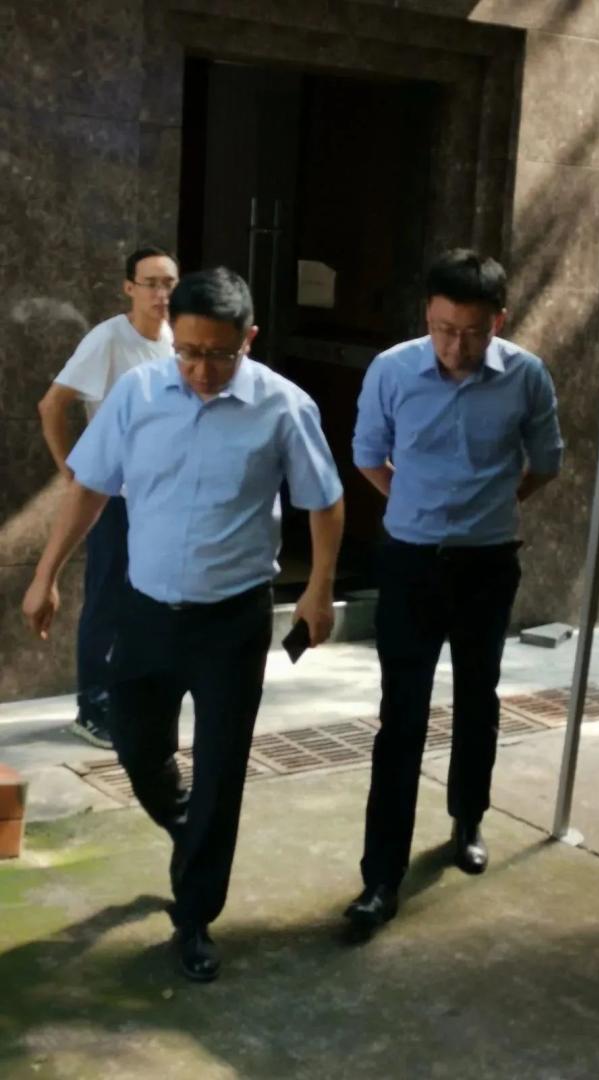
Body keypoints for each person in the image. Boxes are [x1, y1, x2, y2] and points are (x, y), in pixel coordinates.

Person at [23, 267, 344, 981]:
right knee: (137, 746)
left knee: (222, 770)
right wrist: (46, 574)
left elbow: (324, 501)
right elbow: (90, 488)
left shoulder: (283, 406)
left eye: (218, 354)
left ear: (248, 339)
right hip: (147, 614)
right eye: (189, 351)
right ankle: (184, 823)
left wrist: (319, 590)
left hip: (232, 620)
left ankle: (195, 915)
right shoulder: (137, 395)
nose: (201, 369)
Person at [346, 249, 564, 935]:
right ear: (427, 316)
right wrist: (416, 504)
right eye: (443, 329)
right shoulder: (392, 370)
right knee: (401, 717)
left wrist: (491, 506)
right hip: (410, 563)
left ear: (499, 319)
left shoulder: (526, 376)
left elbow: (546, 461)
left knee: (478, 698)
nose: (455, 346)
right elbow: (367, 455)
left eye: (471, 332)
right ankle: (381, 876)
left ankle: (468, 819)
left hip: (487, 563)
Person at [37, 246, 179, 748]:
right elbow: (52, 405)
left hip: (160, 496)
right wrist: (71, 470)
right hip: (112, 495)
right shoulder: (109, 339)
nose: (161, 294)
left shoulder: (176, 339)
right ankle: (92, 707)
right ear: (128, 287)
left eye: (168, 283)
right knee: (106, 600)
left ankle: (129, 701)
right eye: (150, 283)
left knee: (148, 600)